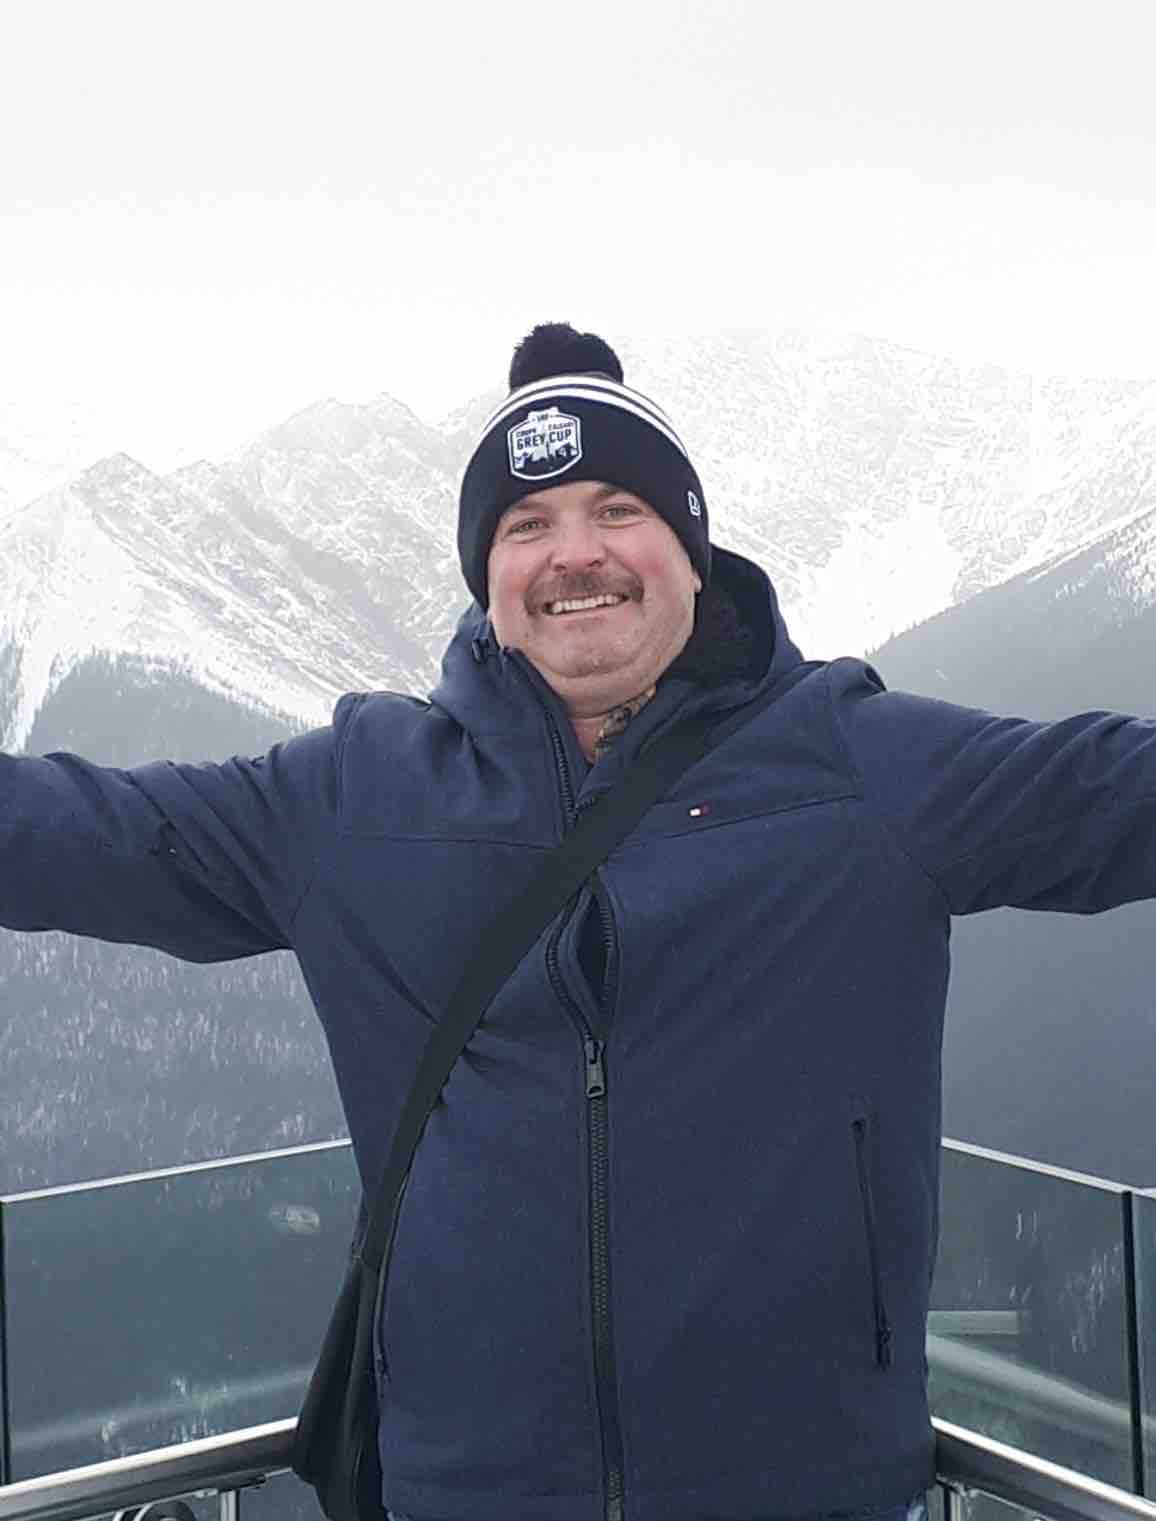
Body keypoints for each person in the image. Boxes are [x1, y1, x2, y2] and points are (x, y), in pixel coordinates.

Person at [4, 320, 1156, 1521]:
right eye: (526, 524)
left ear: (691, 551)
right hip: (469, 1495)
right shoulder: (360, 800)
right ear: (486, 577)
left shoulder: (857, 769)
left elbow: (1111, 792)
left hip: (805, 1490)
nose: (574, 553)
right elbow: (88, 833)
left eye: (617, 509)